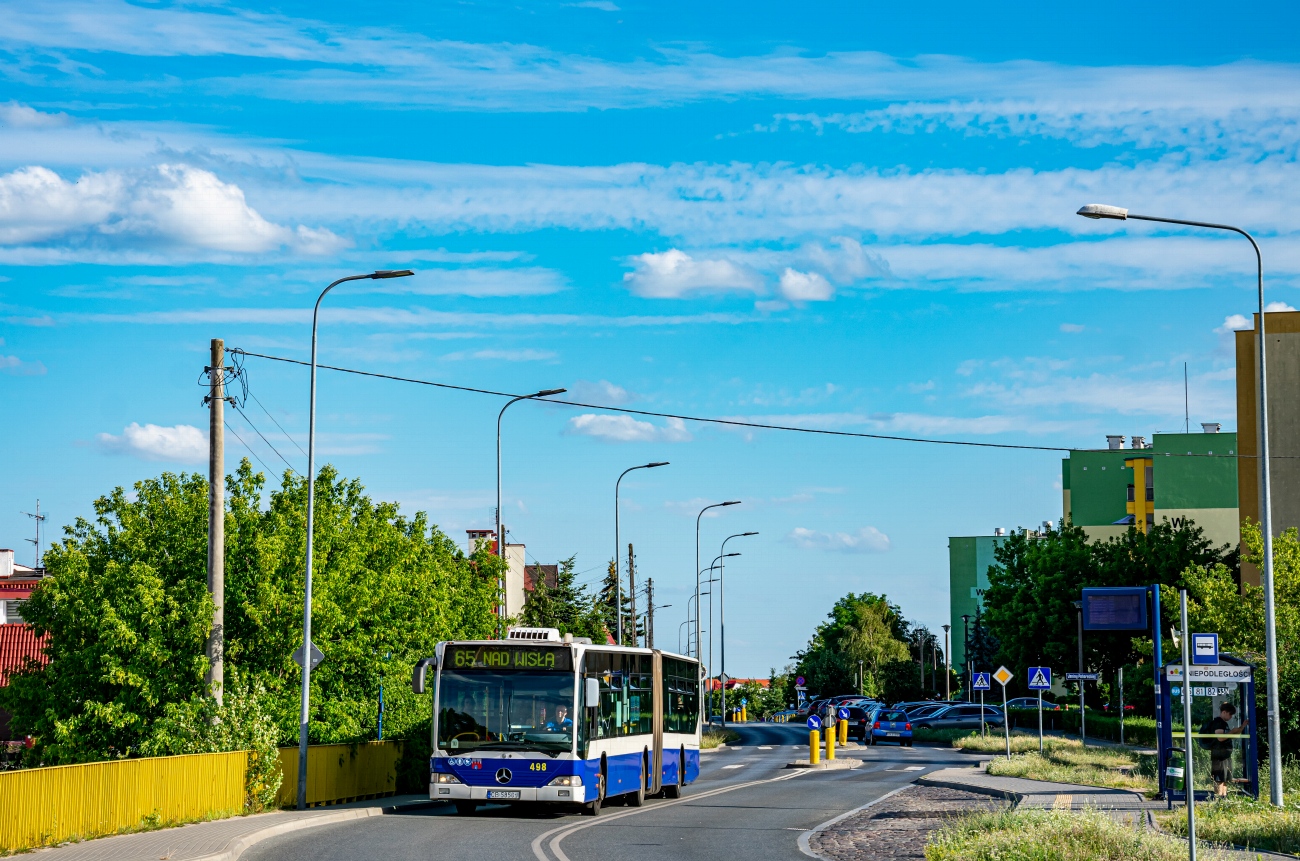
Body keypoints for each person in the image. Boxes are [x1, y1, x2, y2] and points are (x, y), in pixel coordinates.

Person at [1206, 702, 1247, 798]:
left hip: (1225, 755)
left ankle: (1223, 798)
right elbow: (1220, 737)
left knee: (1225, 778)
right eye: (1230, 714)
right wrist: (1232, 731)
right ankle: (1218, 799)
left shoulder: (1224, 723)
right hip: (1219, 755)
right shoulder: (1218, 722)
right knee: (1219, 778)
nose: (1231, 717)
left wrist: (1242, 727)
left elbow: (1230, 735)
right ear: (1224, 712)